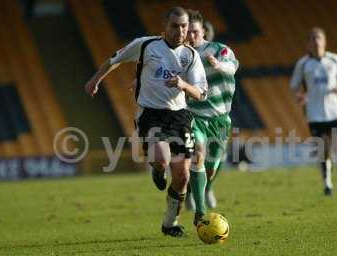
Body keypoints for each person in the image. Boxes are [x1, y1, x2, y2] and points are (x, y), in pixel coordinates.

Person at [85, 7, 207, 237]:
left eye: (184, 26)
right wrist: (95, 80)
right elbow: (115, 59)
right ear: (165, 26)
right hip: (151, 114)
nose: (180, 31)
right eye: (175, 26)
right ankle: (157, 170)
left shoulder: (191, 55)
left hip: (180, 116)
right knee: (161, 160)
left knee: (182, 176)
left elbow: (201, 93)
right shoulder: (145, 45)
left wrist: (183, 85)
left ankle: (169, 224)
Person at [186, 10, 238, 224]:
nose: (190, 36)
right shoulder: (181, 55)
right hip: (195, 115)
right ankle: (200, 212)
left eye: (194, 32)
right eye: (187, 32)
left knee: (211, 166)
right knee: (198, 153)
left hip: (220, 118)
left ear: (203, 31)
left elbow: (232, 67)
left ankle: (202, 189)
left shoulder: (219, 49)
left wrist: (218, 65)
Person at [290, 27, 337, 196]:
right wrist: (299, 95)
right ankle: (327, 183)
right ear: (308, 44)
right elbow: (294, 85)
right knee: (323, 150)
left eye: (319, 38)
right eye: (312, 38)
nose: (316, 41)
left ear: (324, 41)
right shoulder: (303, 64)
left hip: (335, 111)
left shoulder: (334, 59)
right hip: (315, 114)